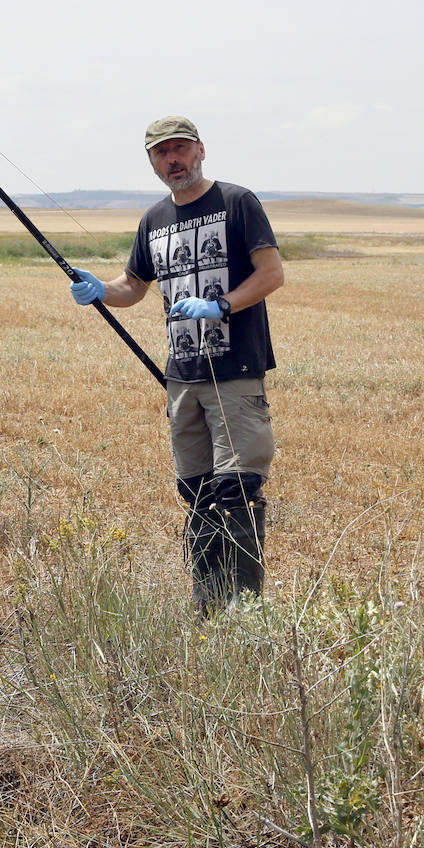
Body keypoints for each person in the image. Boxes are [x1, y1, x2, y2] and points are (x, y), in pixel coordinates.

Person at [69, 116, 284, 613]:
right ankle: (206, 607)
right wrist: (101, 289)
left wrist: (223, 305)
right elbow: (133, 286)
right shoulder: (153, 220)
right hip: (181, 376)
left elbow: (271, 273)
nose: (173, 160)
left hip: (234, 369)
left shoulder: (237, 202)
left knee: (238, 489)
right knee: (197, 491)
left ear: (201, 150)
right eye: (162, 153)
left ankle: (243, 614)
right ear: (152, 162)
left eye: (181, 149)